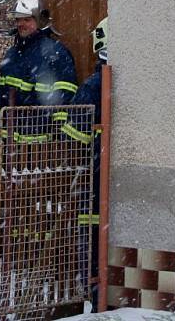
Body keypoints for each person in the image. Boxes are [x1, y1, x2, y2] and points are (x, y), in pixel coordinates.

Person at [0, 0, 78, 138]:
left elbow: (65, 97)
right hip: (10, 144)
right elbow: (2, 95)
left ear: (40, 20)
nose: (20, 24)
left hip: (42, 143)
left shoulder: (55, 53)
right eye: (18, 20)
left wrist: (59, 137)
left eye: (27, 19)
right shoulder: (12, 54)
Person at [69, 16, 107, 304]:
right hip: (105, 177)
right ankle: (100, 291)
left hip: (93, 176)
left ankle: (94, 291)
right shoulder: (117, 83)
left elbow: (74, 132)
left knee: (91, 239)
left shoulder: (93, 85)